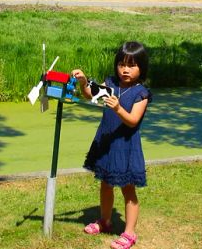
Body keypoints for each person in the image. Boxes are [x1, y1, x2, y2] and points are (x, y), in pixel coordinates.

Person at [72, 41, 152, 249]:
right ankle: (105, 221)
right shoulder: (111, 84)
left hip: (125, 146)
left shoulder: (141, 93)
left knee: (128, 189)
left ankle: (129, 233)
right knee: (106, 184)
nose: (125, 69)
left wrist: (117, 108)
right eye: (122, 64)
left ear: (142, 68)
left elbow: (133, 120)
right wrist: (83, 81)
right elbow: (90, 94)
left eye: (132, 65)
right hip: (107, 143)